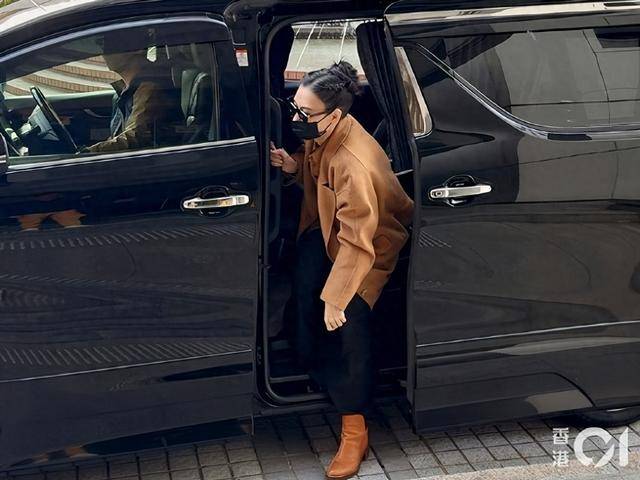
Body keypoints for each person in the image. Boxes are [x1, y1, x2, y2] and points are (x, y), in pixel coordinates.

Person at [270, 61, 414, 479]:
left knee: (347, 319)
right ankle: (315, 370)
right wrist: (293, 167)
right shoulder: (324, 132)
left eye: (305, 113)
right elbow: (316, 168)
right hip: (328, 226)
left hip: (369, 243)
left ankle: (355, 426)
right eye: (294, 108)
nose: (297, 118)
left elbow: (358, 240)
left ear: (334, 116)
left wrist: (337, 298)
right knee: (303, 286)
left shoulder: (353, 161)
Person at [87, 38, 181, 153]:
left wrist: (87, 153)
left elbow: (135, 137)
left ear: (138, 48)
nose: (104, 50)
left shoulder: (152, 89)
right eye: (102, 44)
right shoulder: (126, 91)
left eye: (111, 41)